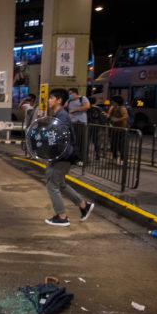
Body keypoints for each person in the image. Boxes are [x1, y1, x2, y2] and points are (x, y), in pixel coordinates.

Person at [44, 88, 95, 227]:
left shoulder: (62, 116)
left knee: (52, 185)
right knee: (60, 183)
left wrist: (55, 156)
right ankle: (84, 206)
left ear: (59, 100)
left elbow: (62, 138)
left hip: (62, 156)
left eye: (51, 98)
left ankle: (62, 216)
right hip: (60, 155)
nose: (48, 100)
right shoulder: (59, 114)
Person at [106, 95, 128, 165]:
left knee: (121, 146)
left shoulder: (122, 108)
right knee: (113, 145)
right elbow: (112, 118)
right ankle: (115, 158)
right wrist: (110, 115)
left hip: (121, 130)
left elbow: (126, 117)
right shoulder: (114, 108)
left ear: (117, 102)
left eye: (113, 102)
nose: (112, 103)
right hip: (115, 130)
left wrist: (117, 119)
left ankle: (122, 160)